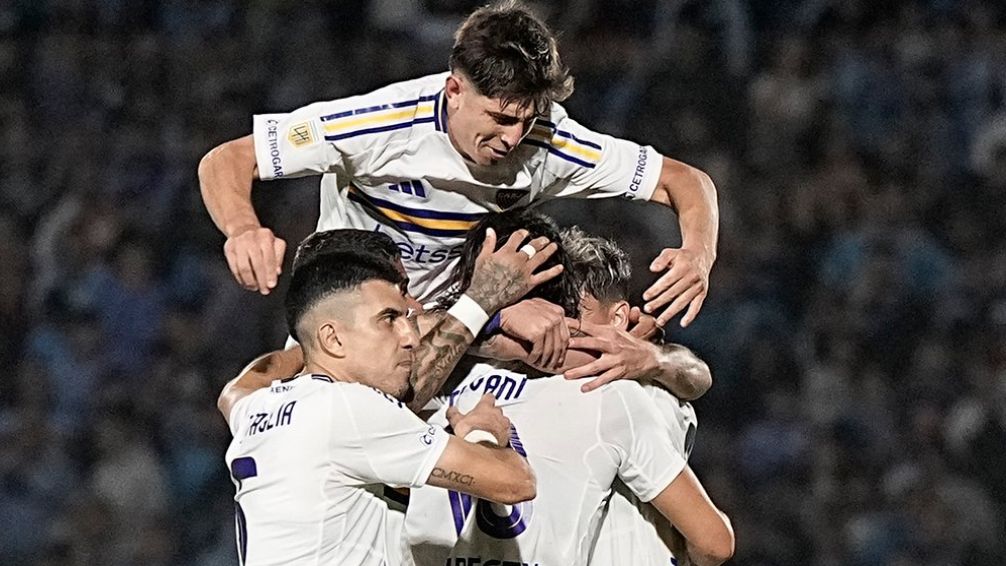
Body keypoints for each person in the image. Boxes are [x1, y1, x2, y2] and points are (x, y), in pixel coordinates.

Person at [197, 0, 718, 330]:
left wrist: (698, 252)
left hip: (458, 331)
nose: (512, 138)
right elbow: (229, 159)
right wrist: (243, 228)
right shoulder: (380, 124)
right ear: (454, 90)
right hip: (353, 325)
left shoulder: (550, 140)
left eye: (526, 120)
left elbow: (684, 180)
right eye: (500, 118)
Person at [405, 211, 733, 566]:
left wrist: (655, 357)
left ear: (619, 319)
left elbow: (695, 375)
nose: (552, 327)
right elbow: (713, 544)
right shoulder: (462, 370)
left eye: (571, 313)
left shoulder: (632, 391)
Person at [223, 230, 562, 566]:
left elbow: (240, 387)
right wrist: (482, 432)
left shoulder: (254, 407)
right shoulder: (351, 408)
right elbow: (515, 483)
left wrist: (312, 337)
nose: (410, 336)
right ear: (333, 339)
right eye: (388, 320)